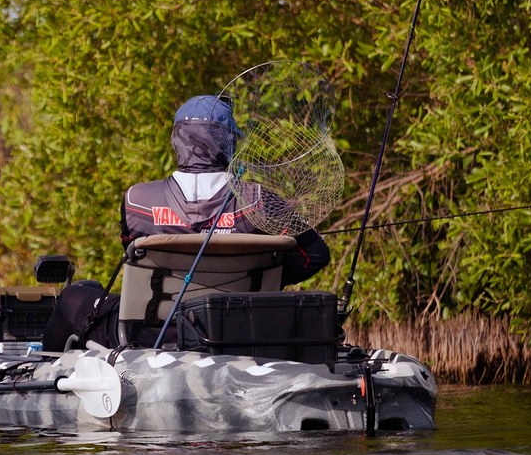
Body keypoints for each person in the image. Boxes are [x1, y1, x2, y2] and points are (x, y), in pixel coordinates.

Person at [42, 94, 330, 352]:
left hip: (147, 335)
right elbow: (315, 254)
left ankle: (45, 372)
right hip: (235, 330)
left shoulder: (137, 200)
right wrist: (266, 275)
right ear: (230, 141)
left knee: (74, 295)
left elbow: (131, 253)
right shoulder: (258, 200)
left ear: (176, 140)